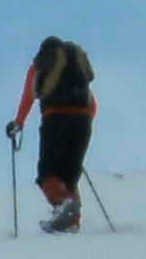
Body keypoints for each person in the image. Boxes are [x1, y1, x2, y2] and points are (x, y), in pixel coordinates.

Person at [8, 35, 98, 234]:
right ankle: (71, 221)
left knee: (47, 174)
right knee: (69, 177)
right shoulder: (75, 68)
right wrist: (80, 124)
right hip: (83, 122)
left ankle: (64, 205)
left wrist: (18, 123)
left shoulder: (41, 64)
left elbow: (28, 96)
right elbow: (93, 106)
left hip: (56, 117)